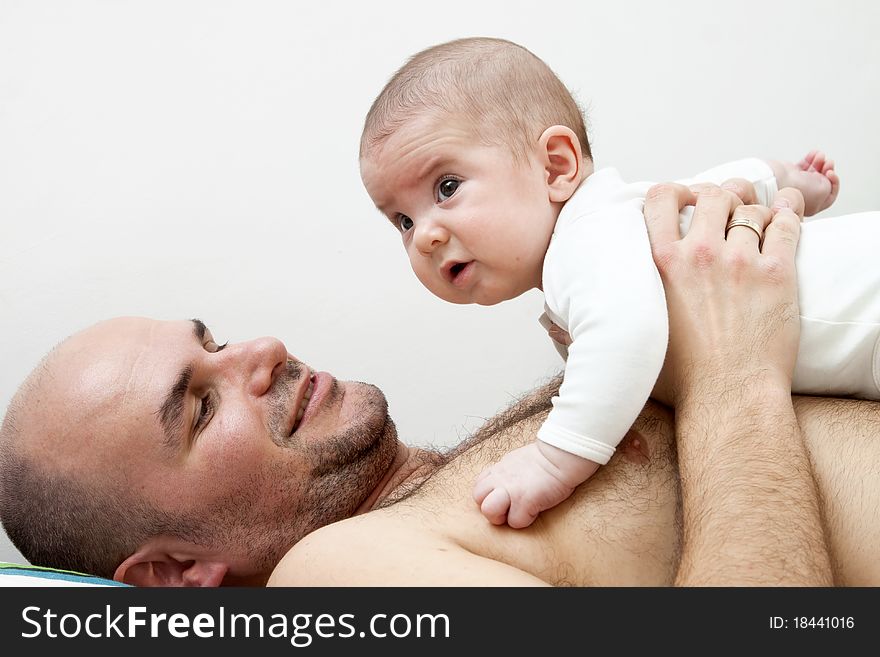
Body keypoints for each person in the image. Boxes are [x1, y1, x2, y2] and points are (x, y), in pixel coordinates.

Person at [1, 180, 878, 586]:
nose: (260, 350)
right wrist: (734, 371)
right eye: (200, 404)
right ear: (173, 573)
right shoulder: (336, 577)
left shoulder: (439, 503)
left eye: (217, 341)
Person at [358, 37, 880, 529]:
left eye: (446, 187)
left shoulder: (580, 245)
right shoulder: (617, 220)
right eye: (402, 220)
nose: (423, 234)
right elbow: (719, 184)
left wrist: (554, 457)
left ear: (555, 167)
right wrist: (792, 180)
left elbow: (627, 333)